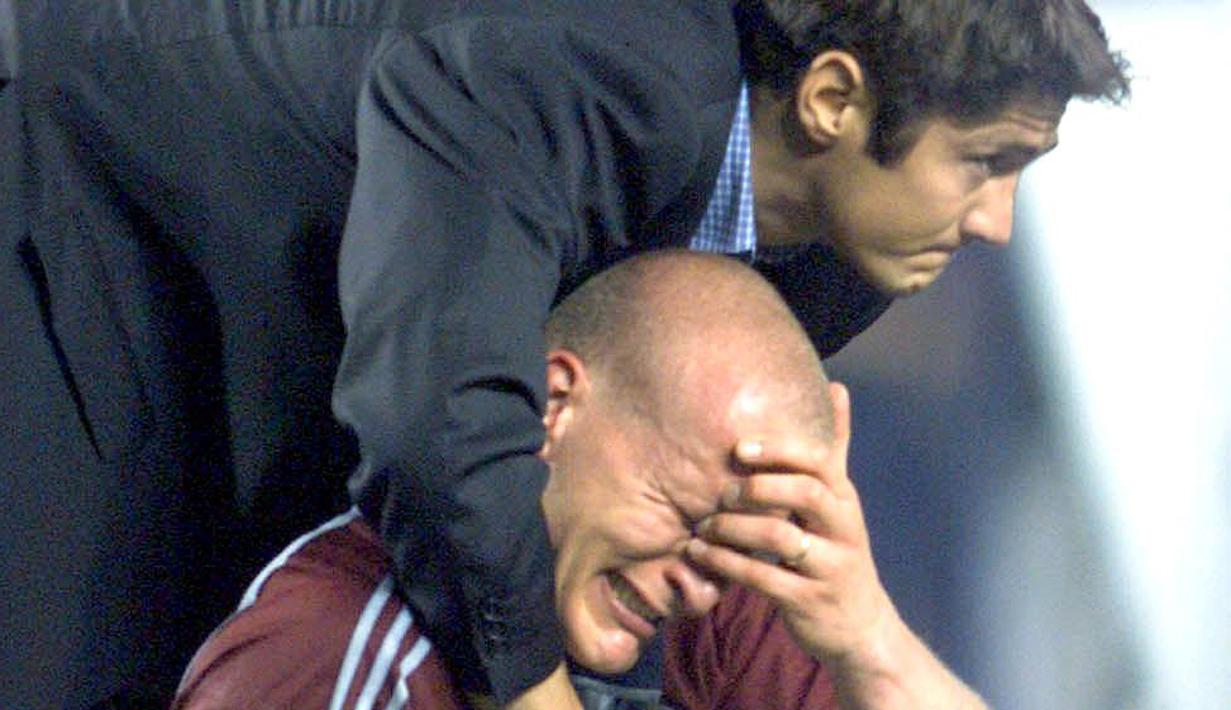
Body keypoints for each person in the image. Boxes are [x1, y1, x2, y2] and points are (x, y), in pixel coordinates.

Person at [0, 1, 1128, 707]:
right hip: (86, 229)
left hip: (304, 341)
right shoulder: (586, 69)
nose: (996, 223)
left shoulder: (852, 248)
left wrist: (864, 637)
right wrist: (539, 692)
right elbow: (433, 416)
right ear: (834, 100)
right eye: (984, 161)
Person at [174, 251, 988, 710]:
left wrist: (865, 636)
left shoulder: (700, 593)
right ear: (554, 404)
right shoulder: (346, 655)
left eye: (727, 538)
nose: (696, 584)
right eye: (677, 509)